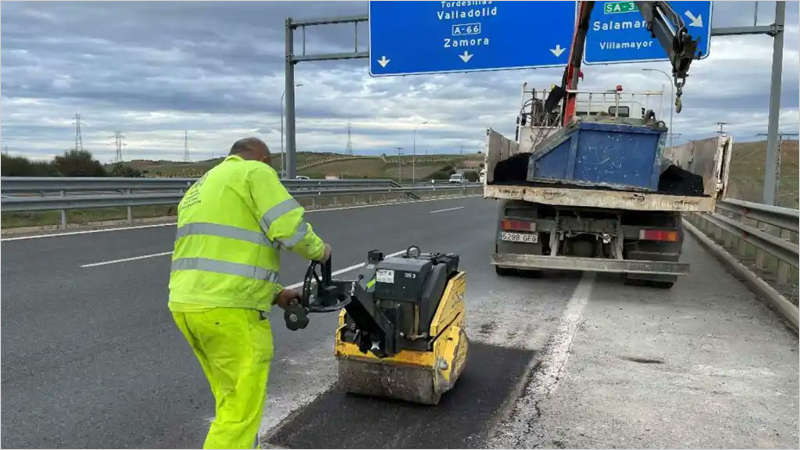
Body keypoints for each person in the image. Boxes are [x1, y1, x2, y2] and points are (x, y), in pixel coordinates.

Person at [168, 137, 331, 449]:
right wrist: (320, 251)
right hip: (230, 313)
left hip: (189, 305)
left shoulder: (201, 186)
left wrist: (274, 293)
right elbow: (287, 228)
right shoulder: (255, 173)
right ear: (265, 159)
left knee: (231, 401)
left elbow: (222, 258)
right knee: (240, 413)